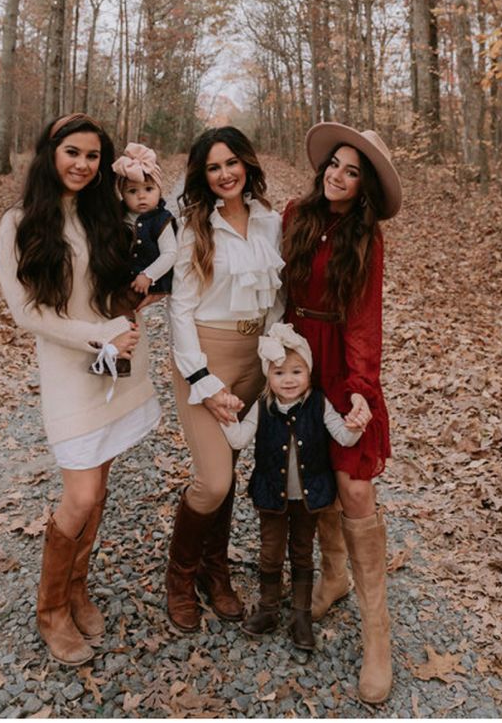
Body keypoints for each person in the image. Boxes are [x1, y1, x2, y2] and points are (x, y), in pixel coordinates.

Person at [0, 113, 161, 666]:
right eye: (73, 152)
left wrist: (135, 304)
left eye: (93, 156)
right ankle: (50, 611)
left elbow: (117, 282)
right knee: (81, 494)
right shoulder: (19, 223)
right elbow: (28, 313)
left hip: (117, 365)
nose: (83, 165)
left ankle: (77, 586)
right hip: (71, 369)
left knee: (102, 483)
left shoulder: (104, 215)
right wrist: (97, 335)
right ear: (49, 153)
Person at [282, 122, 402, 703]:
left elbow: (363, 319)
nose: (339, 175)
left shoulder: (366, 240)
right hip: (295, 359)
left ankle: (377, 634)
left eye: (353, 172)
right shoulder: (293, 215)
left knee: (355, 486)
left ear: (364, 187)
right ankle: (332, 574)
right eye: (336, 163)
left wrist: (360, 388)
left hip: (340, 364)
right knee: (313, 473)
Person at [165, 125, 285, 632]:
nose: (224, 174)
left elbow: (277, 296)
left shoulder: (271, 224)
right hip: (205, 357)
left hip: (255, 358)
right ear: (203, 175)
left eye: (231, 163)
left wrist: (277, 352)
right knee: (212, 481)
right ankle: (179, 576)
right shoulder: (195, 228)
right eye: (213, 167)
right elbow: (179, 310)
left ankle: (216, 572)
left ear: (247, 164)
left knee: (230, 471)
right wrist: (205, 382)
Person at [220, 323, 361, 653]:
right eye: (280, 372)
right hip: (271, 496)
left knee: (301, 551)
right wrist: (226, 417)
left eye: (297, 371)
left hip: (308, 499)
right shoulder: (263, 407)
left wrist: (355, 427)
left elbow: (343, 436)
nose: (289, 379)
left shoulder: (319, 405)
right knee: (270, 552)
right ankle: (269, 609)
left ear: (309, 372)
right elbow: (240, 438)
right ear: (268, 375)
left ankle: (301, 615)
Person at [112, 142, 177, 296]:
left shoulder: (161, 219)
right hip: (119, 282)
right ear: (123, 194)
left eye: (148, 189)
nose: (141, 196)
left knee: (128, 311)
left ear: (159, 190)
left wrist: (148, 275)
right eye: (132, 191)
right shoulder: (117, 216)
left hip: (148, 282)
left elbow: (170, 253)